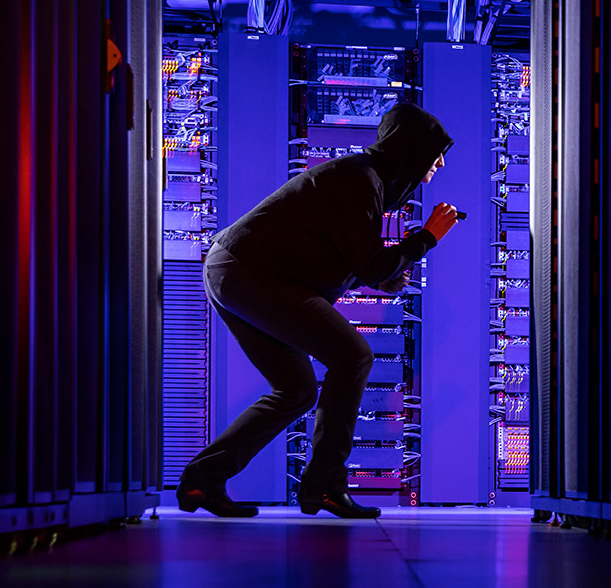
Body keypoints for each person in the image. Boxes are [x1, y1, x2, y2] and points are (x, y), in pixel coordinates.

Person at [177, 101, 465, 520]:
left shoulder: (364, 181)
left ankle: (203, 480)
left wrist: (384, 276)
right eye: (435, 152)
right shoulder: (359, 180)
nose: (439, 162)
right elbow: (368, 264)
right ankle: (326, 486)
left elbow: (348, 257)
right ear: (410, 150)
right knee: (353, 356)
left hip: (238, 270)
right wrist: (427, 238)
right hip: (248, 272)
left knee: (296, 391)